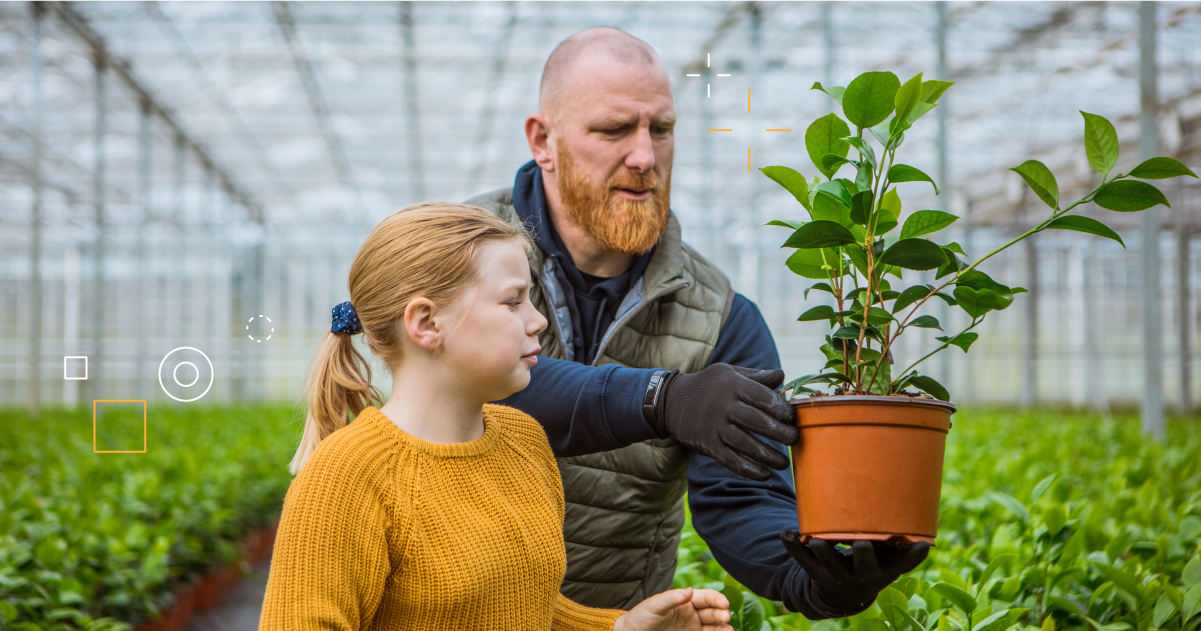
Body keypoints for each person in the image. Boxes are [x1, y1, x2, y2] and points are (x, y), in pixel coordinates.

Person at [464, 27, 929, 617]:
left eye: (661, 129)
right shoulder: (457, 251)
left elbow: (739, 496)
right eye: (614, 130)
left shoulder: (720, 318)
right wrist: (661, 398)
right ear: (543, 141)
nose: (645, 157)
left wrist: (813, 578)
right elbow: (473, 390)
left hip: (620, 622)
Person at [260, 202, 733, 631]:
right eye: (512, 301)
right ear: (426, 323)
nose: (537, 320)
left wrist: (620, 629)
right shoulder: (349, 476)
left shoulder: (523, 439)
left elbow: (526, 607)